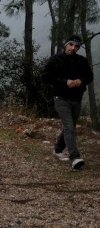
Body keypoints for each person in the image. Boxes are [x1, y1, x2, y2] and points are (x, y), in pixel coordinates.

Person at [42, 34, 93, 170]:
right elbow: (45, 76)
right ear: (66, 45)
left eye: (76, 46)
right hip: (60, 97)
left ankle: (58, 149)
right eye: (71, 45)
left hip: (76, 98)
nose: (73, 48)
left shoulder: (81, 61)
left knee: (69, 127)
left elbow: (89, 76)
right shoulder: (55, 60)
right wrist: (65, 82)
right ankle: (74, 157)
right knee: (70, 127)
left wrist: (80, 81)